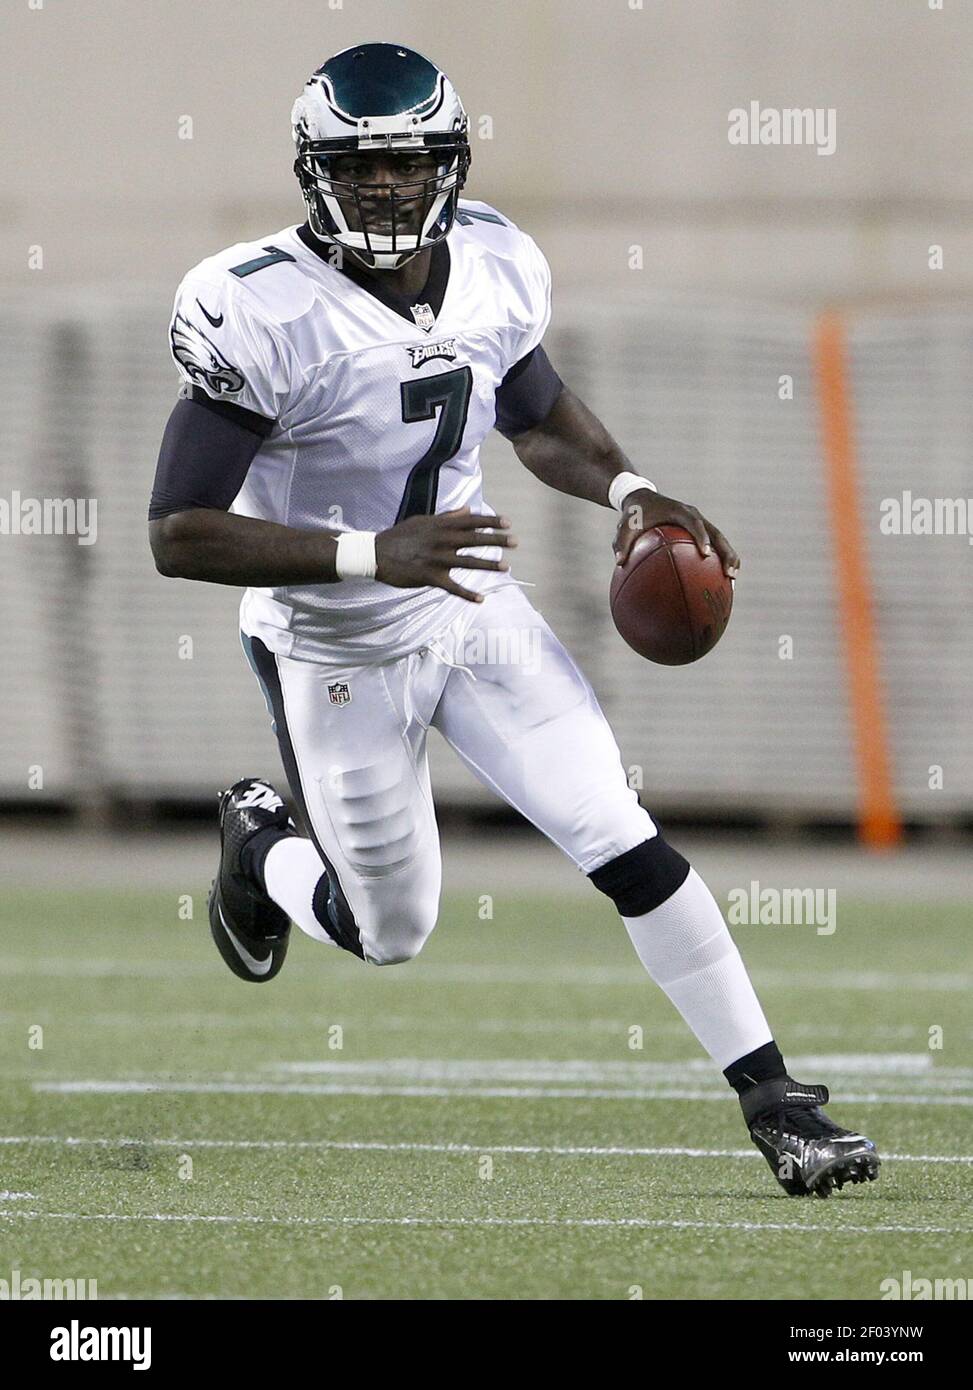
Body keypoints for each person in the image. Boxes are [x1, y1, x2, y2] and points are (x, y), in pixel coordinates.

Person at [148, 42, 879, 1198]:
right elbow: (178, 530)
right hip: (335, 643)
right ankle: (261, 849)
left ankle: (778, 1103)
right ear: (310, 171)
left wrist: (632, 488)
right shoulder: (257, 307)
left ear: (450, 164)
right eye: (357, 167)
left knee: (619, 834)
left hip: (474, 606)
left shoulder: (492, 261)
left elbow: (532, 414)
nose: (384, 188)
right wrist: (367, 552)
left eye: (406, 165)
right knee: (387, 929)